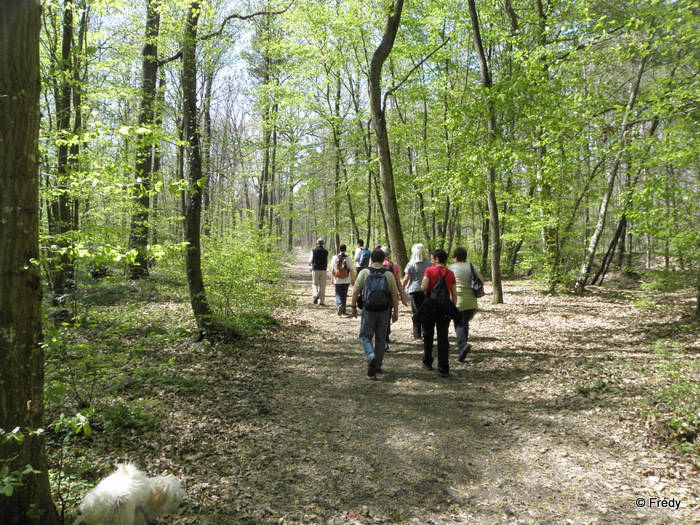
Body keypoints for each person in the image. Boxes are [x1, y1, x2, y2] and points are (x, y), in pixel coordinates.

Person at [350, 249, 399, 378]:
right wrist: (396, 313)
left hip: (369, 309)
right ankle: (377, 366)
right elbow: (394, 294)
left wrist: (353, 306)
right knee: (381, 339)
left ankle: (371, 356)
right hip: (384, 310)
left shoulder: (364, 272)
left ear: (371, 259)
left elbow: (356, 291)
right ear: (384, 260)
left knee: (365, 336)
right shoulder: (389, 274)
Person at [421, 249, 458, 377]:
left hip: (431, 307)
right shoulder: (450, 273)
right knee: (443, 338)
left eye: (432, 258)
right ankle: (443, 367)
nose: (431, 261)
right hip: (444, 308)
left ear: (437, 259)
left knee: (428, 334)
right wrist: (452, 306)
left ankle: (427, 362)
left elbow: (423, 287)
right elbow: (454, 293)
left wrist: (428, 291)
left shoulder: (429, 271)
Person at [449, 247, 486, 362]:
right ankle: (463, 347)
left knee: (459, 323)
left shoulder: (451, 268)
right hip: (471, 299)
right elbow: (482, 279)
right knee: (465, 322)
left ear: (455, 256)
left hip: (458, 299)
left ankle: (462, 344)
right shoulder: (471, 266)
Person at [380, 246, 408, 350]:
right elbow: (399, 284)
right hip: (390, 296)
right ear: (389, 255)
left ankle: (381, 338)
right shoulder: (395, 267)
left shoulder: (376, 266)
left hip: (377, 295)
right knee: (387, 317)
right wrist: (403, 298)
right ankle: (386, 336)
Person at [402, 243, 431, 342]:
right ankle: (426, 332)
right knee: (426, 311)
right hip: (426, 290)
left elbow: (406, 278)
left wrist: (402, 288)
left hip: (414, 290)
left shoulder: (411, 264)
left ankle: (417, 335)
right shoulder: (429, 263)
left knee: (416, 312)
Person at [330, 244, 355, 316]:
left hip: (337, 279)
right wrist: (353, 279)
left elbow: (332, 270)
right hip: (346, 279)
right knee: (344, 294)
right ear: (345, 250)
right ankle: (343, 310)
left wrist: (332, 279)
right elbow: (351, 270)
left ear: (339, 249)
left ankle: (339, 305)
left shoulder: (335, 258)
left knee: (337, 293)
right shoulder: (348, 258)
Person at [309, 238, 329, 305]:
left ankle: (315, 293)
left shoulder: (313, 251)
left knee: (315, 283)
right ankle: (322, 301)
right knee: (322, 286)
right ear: (323, 244)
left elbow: (310, 260)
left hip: (315, 269)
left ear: (317, 243)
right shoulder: (326, 252)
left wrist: (310, 265)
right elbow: (327, 261)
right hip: (323, 269)